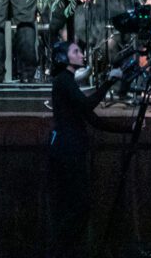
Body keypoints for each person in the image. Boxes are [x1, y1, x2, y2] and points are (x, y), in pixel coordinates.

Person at [46, 40, 132, 253]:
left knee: (75, 205)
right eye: (76, 51)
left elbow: (92, 119)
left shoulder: (66, 81)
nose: (81, 54)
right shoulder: (63, 81)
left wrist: (127, 129)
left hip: (69, 150)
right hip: (68, 151)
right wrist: (109, 82)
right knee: (77, 205)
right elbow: (87, 106)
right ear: (64, 58)